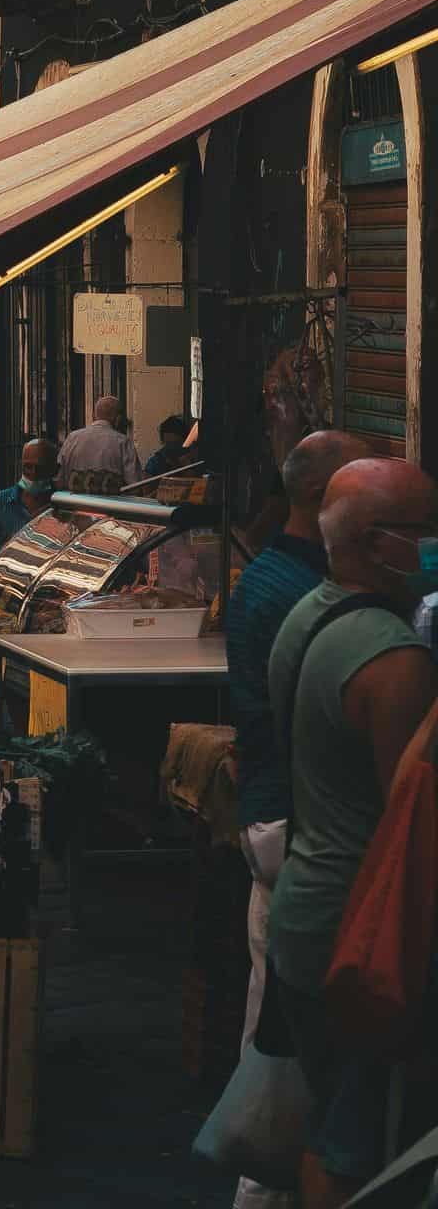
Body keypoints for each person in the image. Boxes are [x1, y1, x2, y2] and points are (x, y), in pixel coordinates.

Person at [264, 458, 438, 1207]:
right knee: (355, 1141)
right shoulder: (394, 660)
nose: (433, 545)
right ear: (374, 542)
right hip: (359, 927)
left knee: (335, 1122)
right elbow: (412, 808)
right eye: (424, 529)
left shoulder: (310, 615)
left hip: (306, 906)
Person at [223, 428, 373, 1202]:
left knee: (278, 1023)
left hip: (278, 818)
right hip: (296, 825)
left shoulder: (279, 581)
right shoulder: (300, 597)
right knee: (292, 1040)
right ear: (323, 499)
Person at [0, 436, 58, 584]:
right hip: (5, 582)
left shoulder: (61, 508)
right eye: (28, 467)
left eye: (40, 468)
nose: (33, 474)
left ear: (53, 470)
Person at [56, 394, 143, 490]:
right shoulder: (123, 442)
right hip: (109, 499)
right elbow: (135, 484)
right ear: (118, 418)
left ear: (95, 415)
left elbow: (60, 477)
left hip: (72, 498)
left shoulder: (72, 438)